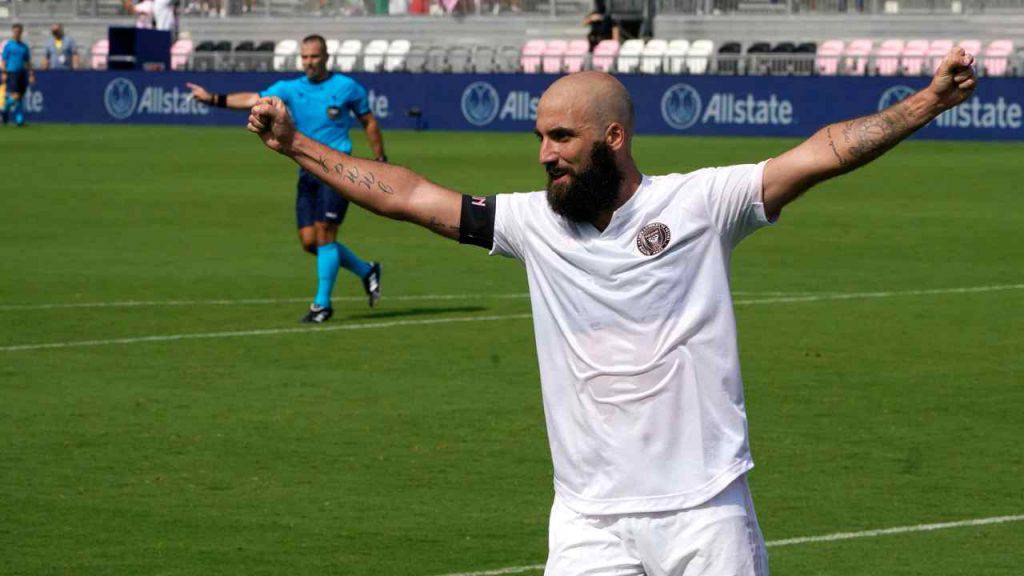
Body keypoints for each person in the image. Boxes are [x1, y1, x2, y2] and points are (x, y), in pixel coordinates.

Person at [247, 50, 977, 574]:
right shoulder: (531, 223)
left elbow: (821, 154)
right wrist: (294, 145)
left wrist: (928, 102)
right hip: (589, 522)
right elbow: (408, 196)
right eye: (538, 136)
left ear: (613, 138)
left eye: (561, 137)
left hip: (705, 514)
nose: (543, 154)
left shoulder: (700, 202)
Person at [188, 34, 387, 323]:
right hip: (306, 170)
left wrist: (380, 159)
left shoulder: (347, 87)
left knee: (325, 235)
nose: (309, 62)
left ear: (326, 57)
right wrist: (212, 99)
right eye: (305, 57)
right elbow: (254, 100)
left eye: (314, 57)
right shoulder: (290, 89)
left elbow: (368, 121)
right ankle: (366, 270)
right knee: (310, 242)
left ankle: (322, 305)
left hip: (338, 170)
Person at [1, 24, 34, 128]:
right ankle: (3, 110)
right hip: (12, 73)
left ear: (21, 32)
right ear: (12, 32)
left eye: (19, 31)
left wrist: (31, 74)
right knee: (16, 96)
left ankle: (19, 121)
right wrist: (4, 73)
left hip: (22, 73)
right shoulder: (9, 45)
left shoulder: (24, 47)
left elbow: (28, 62)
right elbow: (3, 61)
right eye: (15, 31)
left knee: (19, 98)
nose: (17, 33)